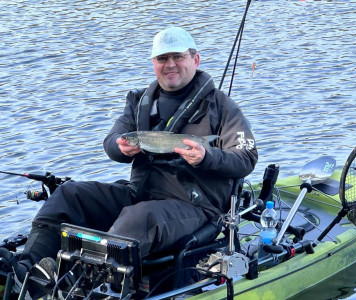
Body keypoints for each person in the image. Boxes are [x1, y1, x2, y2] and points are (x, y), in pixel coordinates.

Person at [0, 26, 258, 296]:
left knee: (138, 218)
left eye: (178, 57)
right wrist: (120, 148)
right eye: (162, 59)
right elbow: (111, 141)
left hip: (194, 208)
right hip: (140, 193)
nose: (170, 65)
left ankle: (83, 287)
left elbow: (246, 156)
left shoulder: (222, 107)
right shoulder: (139, 102)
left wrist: (207, 157)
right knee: (69, 194)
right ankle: (27, 273)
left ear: (195, 59)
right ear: (153, 63)